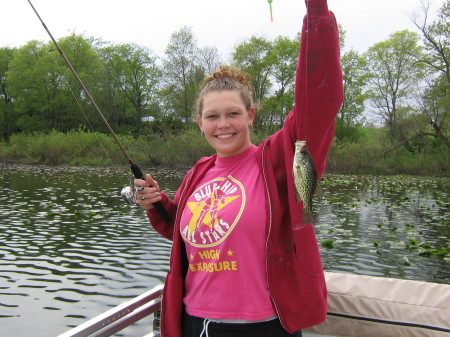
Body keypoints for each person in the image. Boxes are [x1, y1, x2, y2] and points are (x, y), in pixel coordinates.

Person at [134, 0, 343, 335]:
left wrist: (316, 11)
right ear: (199, 123)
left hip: (263, 325)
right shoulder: (198, 172)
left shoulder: (278, 160)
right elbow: (189, 235)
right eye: (212, 116)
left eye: (233, 113)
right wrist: (158, 204)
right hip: (194, 323)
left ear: (250, 115)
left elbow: (321, 100)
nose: (223, 124)